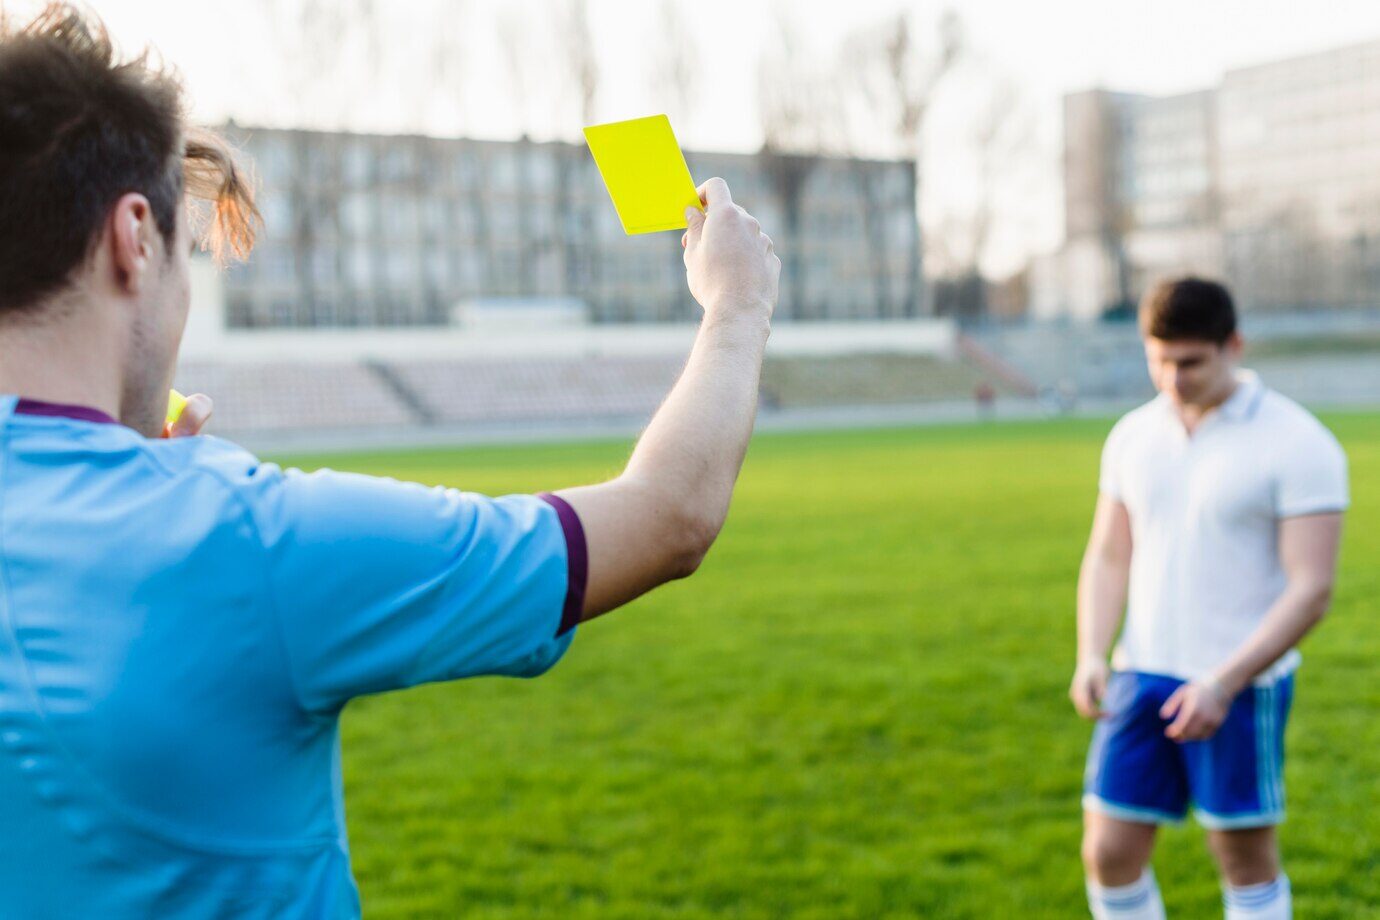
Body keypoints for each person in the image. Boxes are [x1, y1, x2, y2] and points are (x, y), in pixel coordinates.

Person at [0, 5, 779, 917]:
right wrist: (737, 305)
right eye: (186, 257)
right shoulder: (244, 540)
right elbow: (666, 514)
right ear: (135, 240)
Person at [1070, 278, 1347, 920]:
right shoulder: (1133, 435)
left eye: (1190, 361)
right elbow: (1110, 555)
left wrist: (1224, 682)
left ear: (1233, 346)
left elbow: (1313, 589)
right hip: (1140, 673)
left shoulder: (1299, 442)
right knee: (1109, 852)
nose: (1172, 377)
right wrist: (1092, 654)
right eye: (1158, 359)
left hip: (1241, 683)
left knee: (1241, 857)